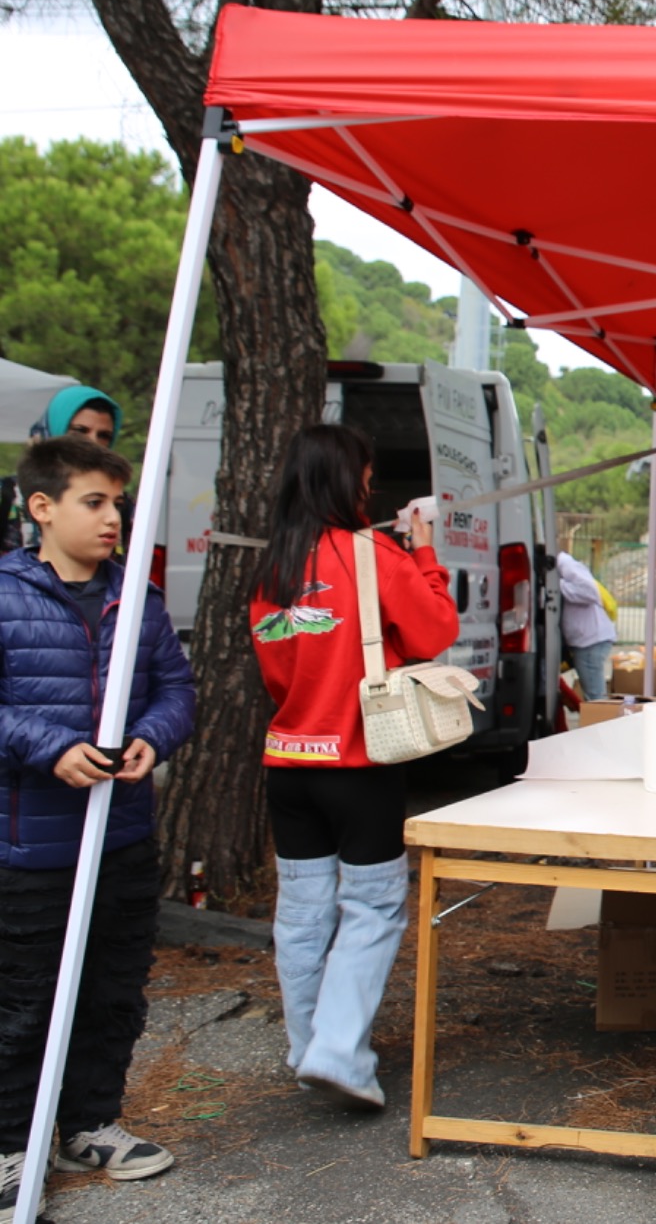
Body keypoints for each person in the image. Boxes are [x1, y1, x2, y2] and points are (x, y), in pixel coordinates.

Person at [0, 437, 195, 1212]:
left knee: (113, 990)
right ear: (42, 507)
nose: (113, 517)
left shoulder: (137, 598)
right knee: (24, 1000)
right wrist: (49, 747)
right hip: (31, 846)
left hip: (121, 837)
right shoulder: (5, 594)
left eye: (118, 502)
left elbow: (175, 688)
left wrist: (154, 734)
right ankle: (11, 1144)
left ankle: (88, 1123)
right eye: (95, 501)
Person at [248, 424, 459, 1112]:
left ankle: (309, 1045)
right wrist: (424, 550)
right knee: (371, 907)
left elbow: (277, 674)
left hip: (289, 762)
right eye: (366, 479)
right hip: (359, 762)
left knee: (302, 913)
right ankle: (338, 1052)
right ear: (349, 481)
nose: (370, 490)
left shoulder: (275, 564)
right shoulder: (375, 554)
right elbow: (435, 630)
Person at [0, 386, 123, 554]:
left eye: (103, 435)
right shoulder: (7, 494)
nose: (92, 442)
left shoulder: (119, 504)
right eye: (80, 431)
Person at [555, 550, 617, 700]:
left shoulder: (565, 565)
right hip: (588, 640)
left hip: (590, 641)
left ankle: (600, 716)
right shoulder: (564, 566)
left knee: (595, 699)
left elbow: (590, 592)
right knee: (594, 696)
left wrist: (556, 585)